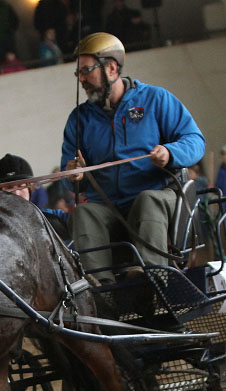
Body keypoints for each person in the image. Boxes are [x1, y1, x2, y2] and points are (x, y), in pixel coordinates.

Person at [62, 33, 205, 284]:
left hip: (157, 199)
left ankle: (152, 280)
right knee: (83, 214)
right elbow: (69, 175)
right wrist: (74, 175)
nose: (81, 79)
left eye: (86, 71)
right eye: (78, 73)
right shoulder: (78, 119)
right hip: (109, 209)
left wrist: (171, 153)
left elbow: (195, 141)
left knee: (147, 200)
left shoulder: (156, 99)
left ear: (112, 68)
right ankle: (101, 290)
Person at [0, 153, 70, 240]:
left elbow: (74, 221)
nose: (16, 193)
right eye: (9, 187)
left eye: (21, 186)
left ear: (30, 189)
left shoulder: (43, 217)